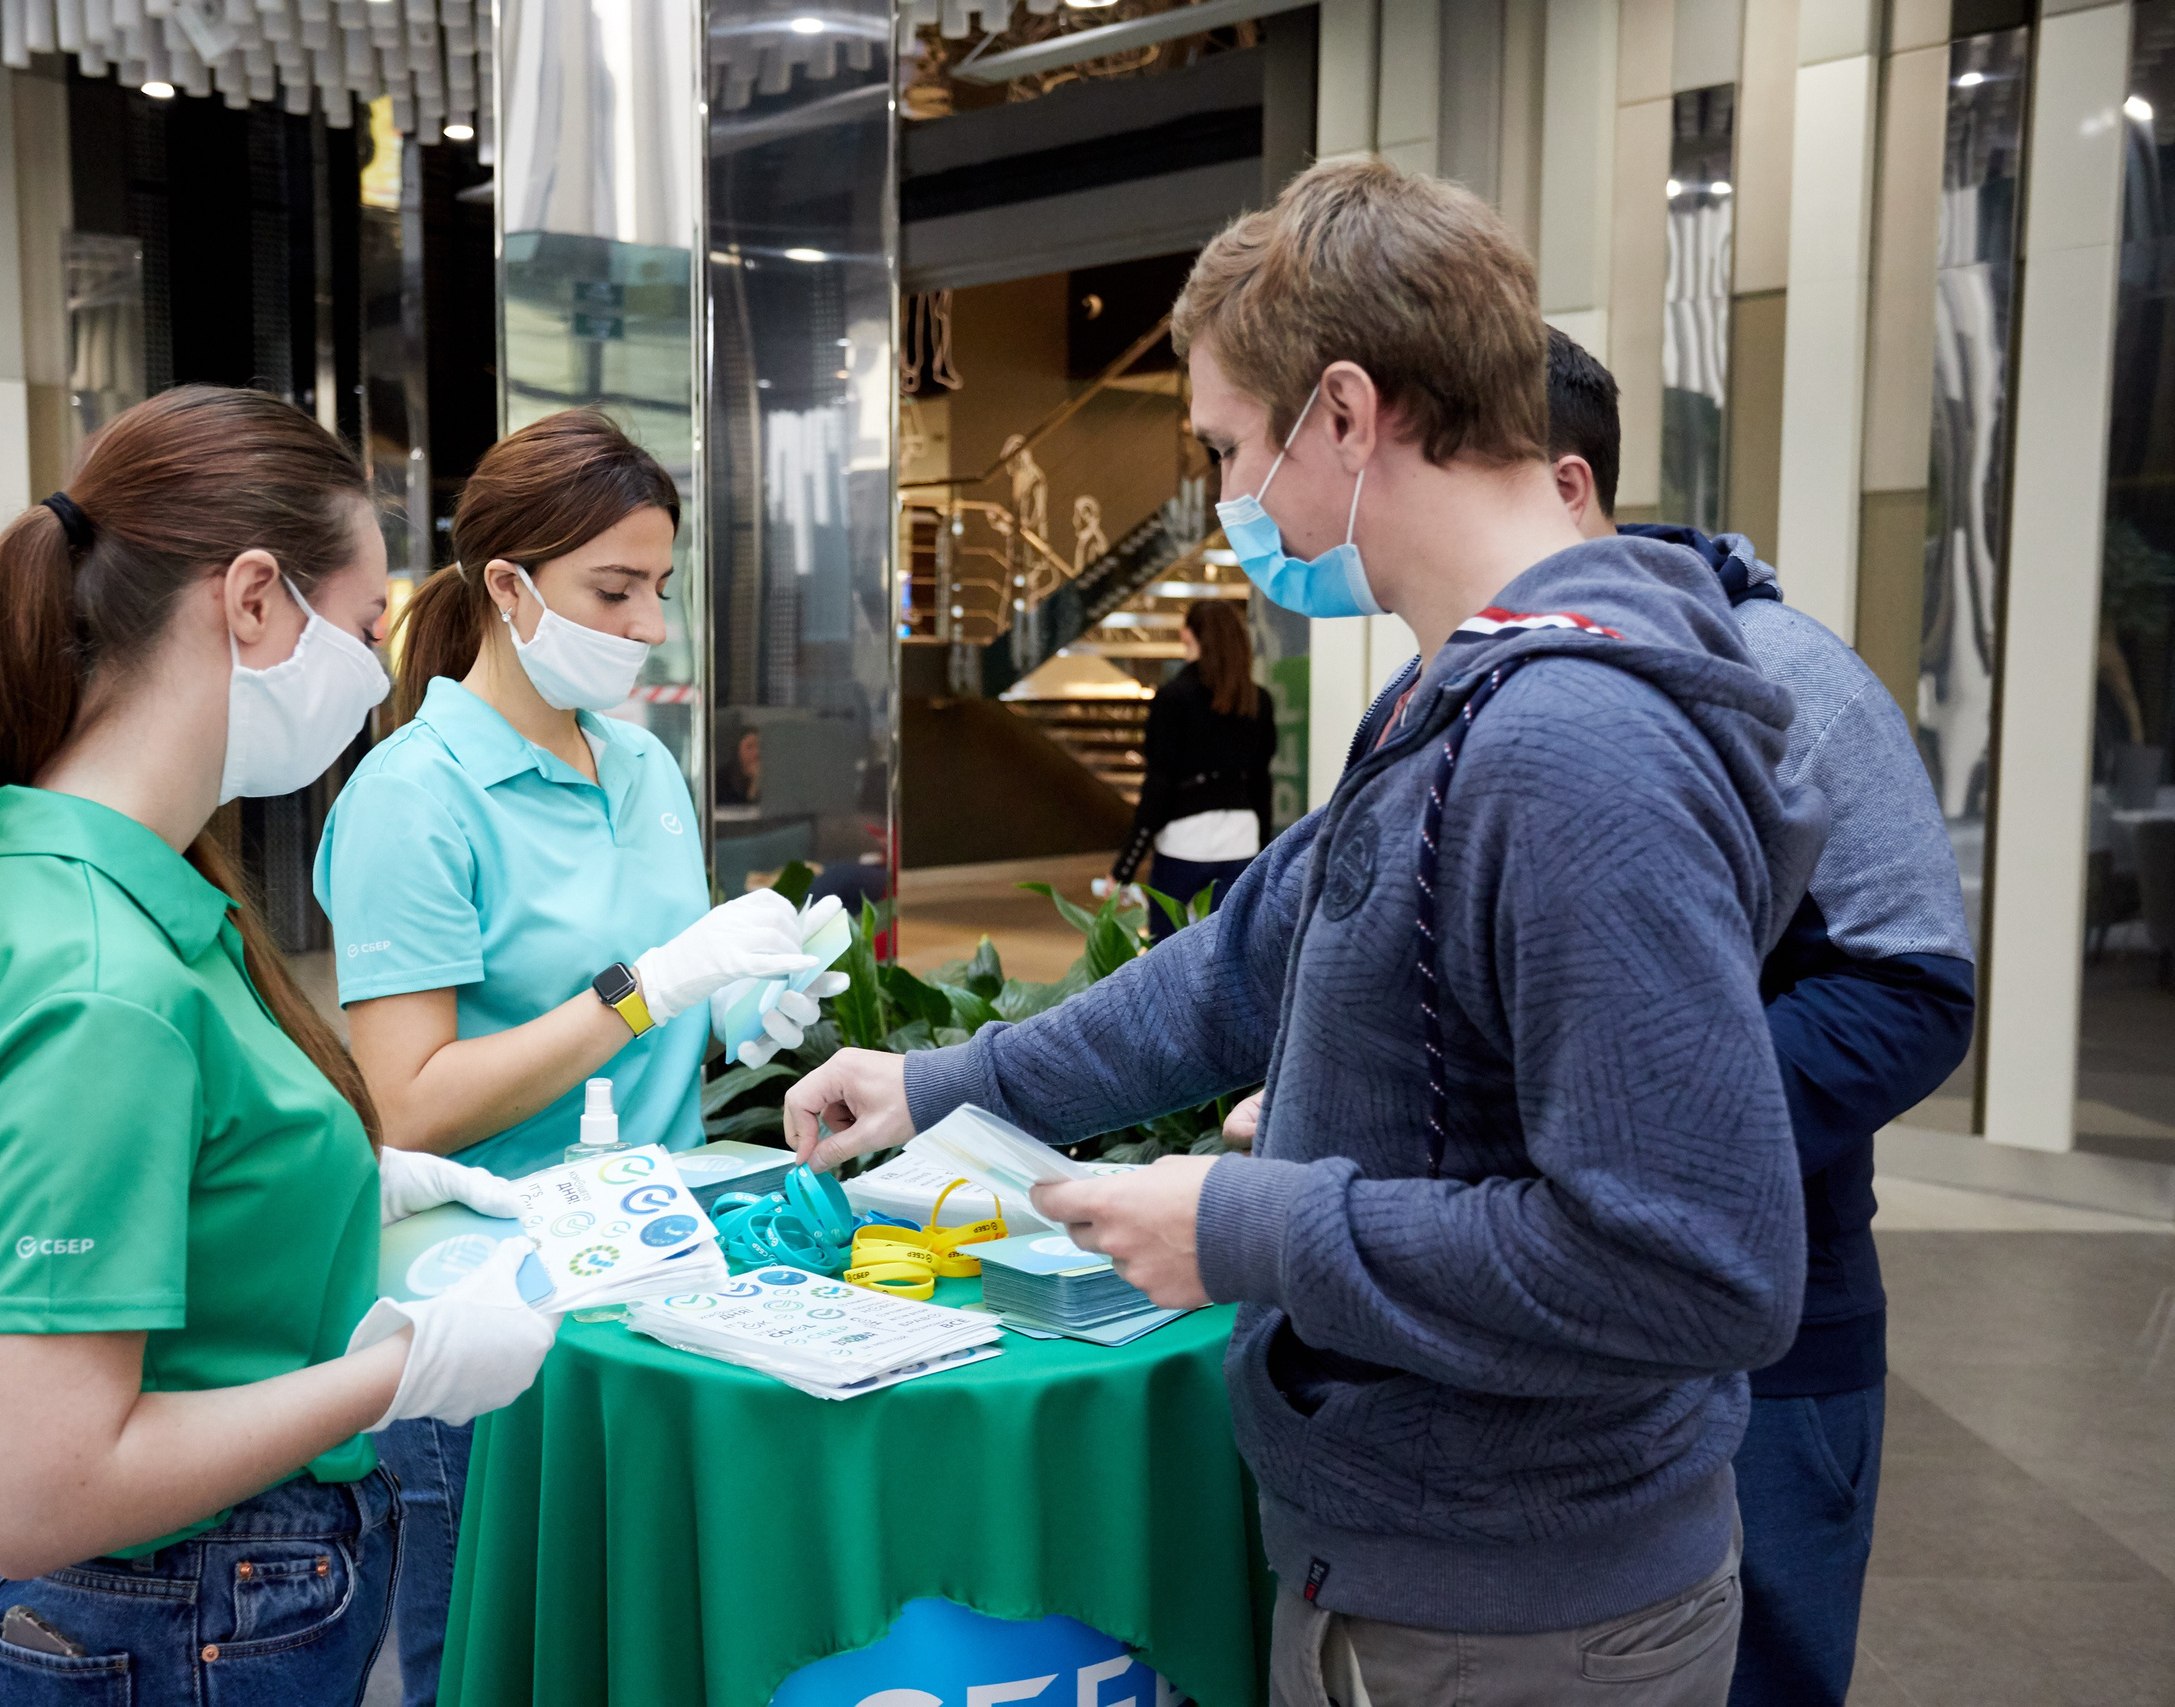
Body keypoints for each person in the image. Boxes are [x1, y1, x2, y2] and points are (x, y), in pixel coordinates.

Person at [786, 159, 1826, 1706]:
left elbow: (1697, 1266)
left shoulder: (1566, 751)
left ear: (1345, 415)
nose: (1223, 504)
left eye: (1227, 447)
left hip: (1521, 1613)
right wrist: (943, 1084)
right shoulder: (1452, 698)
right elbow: (1237, 966)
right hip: (1423, 1563)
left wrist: (1244, 1223)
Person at [0, 386, 558, 1706]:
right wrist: (396, 1372)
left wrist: (322, 1181)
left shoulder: (139, 897)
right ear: (254, 599)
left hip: (218, 1603)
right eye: (369, 623)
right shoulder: (107, 987)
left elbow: (172, 1183)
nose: (381, 667)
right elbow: (38, 1487)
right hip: (183, 1612)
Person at [310, 408, 839, 1706]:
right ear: (506, 583)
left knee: (627, 1648)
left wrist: (744, 1006)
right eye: (615, 588)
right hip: (481, 1298)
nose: (649, 623)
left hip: (645, 1272)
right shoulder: (413, 797)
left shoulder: (644, 765)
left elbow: (657, 1007)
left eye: (660, 586)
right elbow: (410, 1100)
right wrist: (650, 983)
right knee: (482, 1663)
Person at [1546, 327, 1975, 1707]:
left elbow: (1914, 986)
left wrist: (1659, 1118)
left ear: (1560, 483)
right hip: (1548, 1348)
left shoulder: (1785, 674)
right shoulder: (1483, 681)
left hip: (1773, 1353)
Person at [1109, 597, 1276, 937]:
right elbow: (1261, 782)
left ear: (1189, 635)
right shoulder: (1257, 700)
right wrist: (1262, 850)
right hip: (1241, 840)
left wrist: (1125, 867)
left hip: (1183, 843)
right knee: (1226, 950)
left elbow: (1159, 784)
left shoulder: (1173, 697)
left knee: (1166, 957)